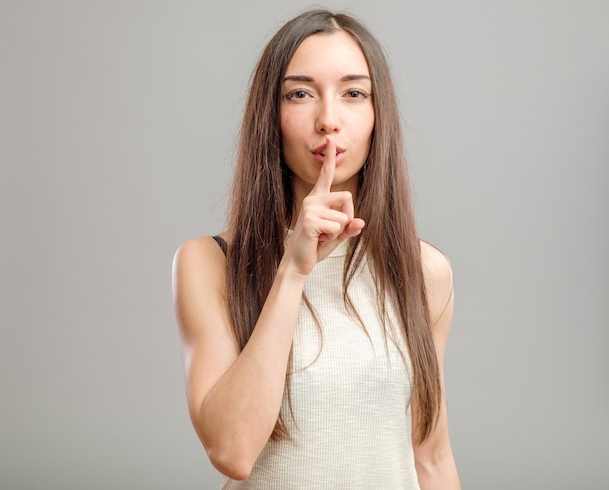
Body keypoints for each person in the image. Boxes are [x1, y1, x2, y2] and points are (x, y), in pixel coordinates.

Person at [173, 8, 461, 489]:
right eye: (300, 93)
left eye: (353, 93)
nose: (329, 120)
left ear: (377, 115)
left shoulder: (424, 270)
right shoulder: (210, 264)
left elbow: (431, 459)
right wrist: (293, 270)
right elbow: (232, 450)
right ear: (272, 116)